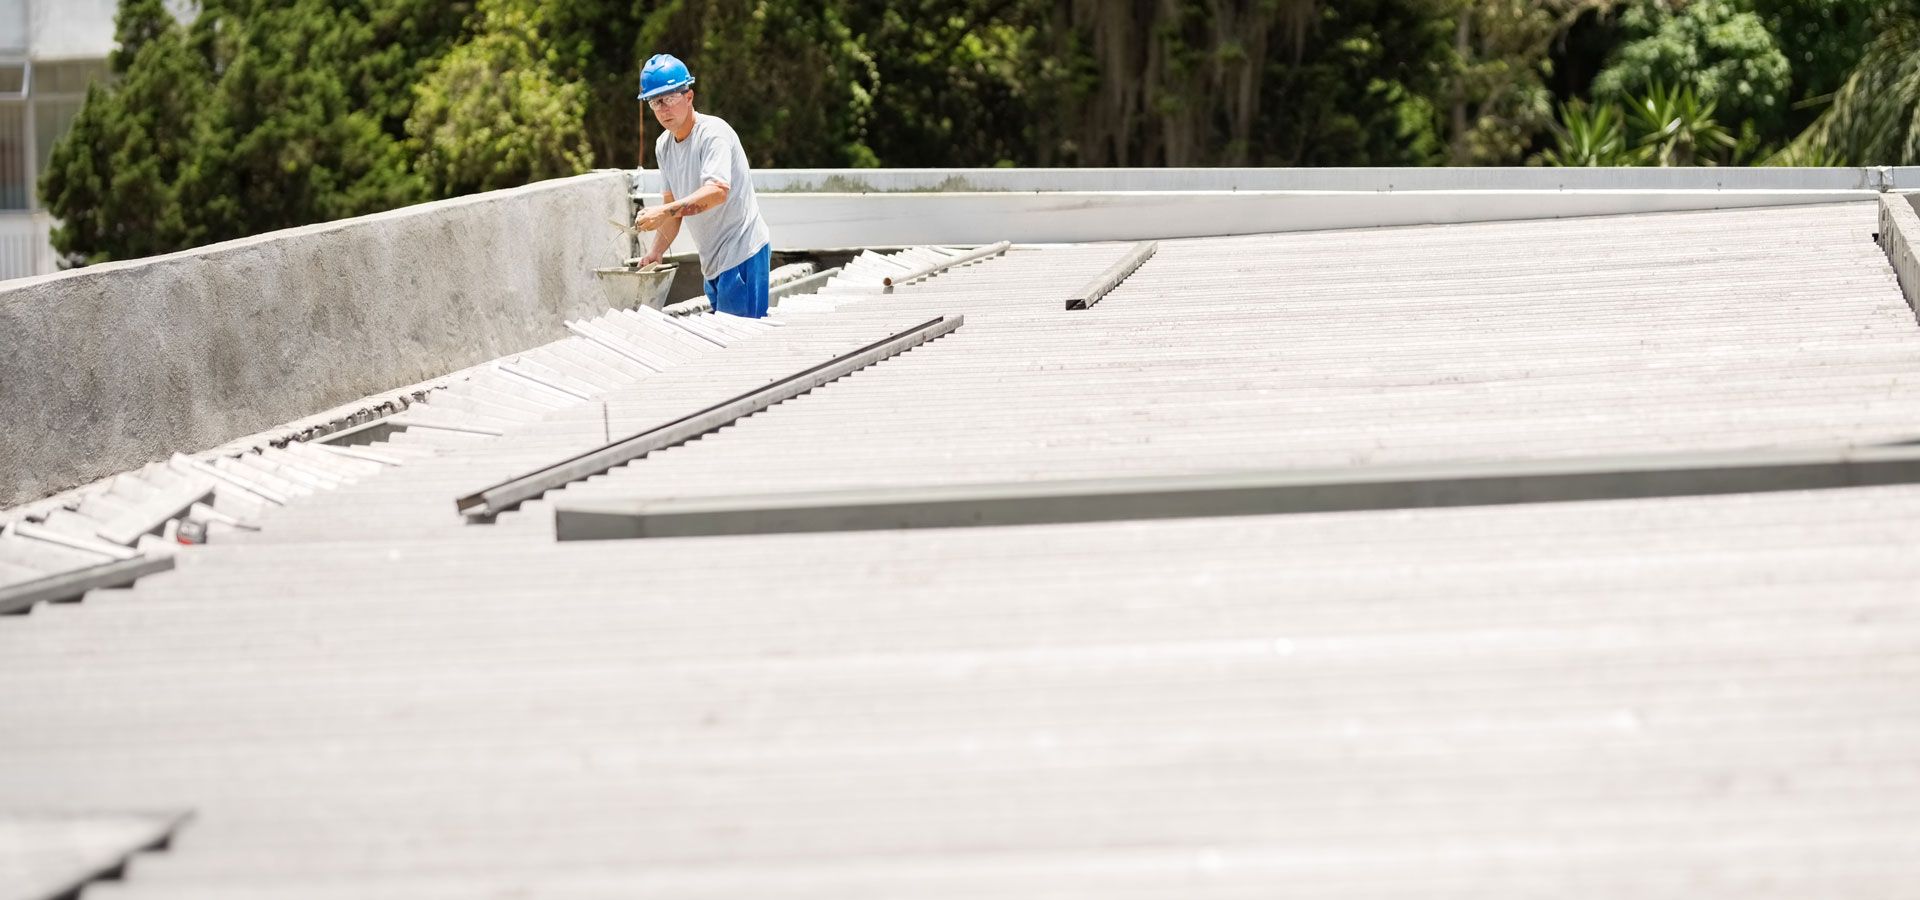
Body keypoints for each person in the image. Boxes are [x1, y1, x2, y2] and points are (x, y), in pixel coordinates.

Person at [631, 54, 773, 319]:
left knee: (742, 346)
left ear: (689, 96)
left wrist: (664, 212)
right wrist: (656, 252)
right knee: (727, 345)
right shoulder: (664, 146)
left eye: (670, 98)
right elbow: (672, 210)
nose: (663, 109)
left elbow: (717, 192)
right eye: (655, 102)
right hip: (712, 263)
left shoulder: (713, 134)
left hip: (743, 253)